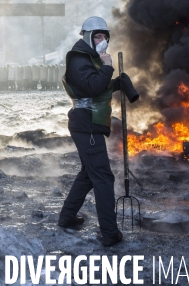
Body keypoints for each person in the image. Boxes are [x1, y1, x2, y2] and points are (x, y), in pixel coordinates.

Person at [58, 16, 139, 247]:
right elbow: (93, 86)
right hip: (87, 125)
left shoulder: (89, 59)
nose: (102, 41)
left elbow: (98, 87)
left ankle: (67, 217)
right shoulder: (78, 58)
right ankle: (110, 234)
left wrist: (115, 82)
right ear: (87, 37)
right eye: (97, 36)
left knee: (88, 174)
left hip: (88, 124)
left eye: (105, 37)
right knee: (103, 177)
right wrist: (108, 66)